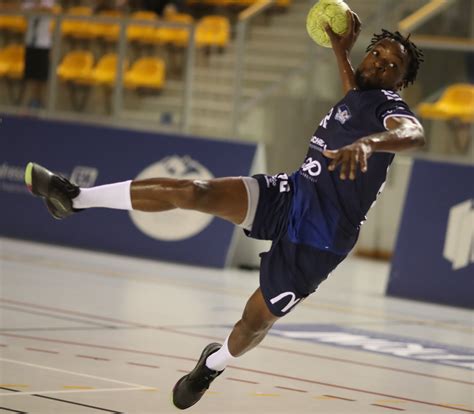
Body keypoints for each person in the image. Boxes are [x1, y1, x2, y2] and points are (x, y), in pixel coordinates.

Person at [24, 11, 425, 410]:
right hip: (293, 192)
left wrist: (370, 145)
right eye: (376, 54)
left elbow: (413, 134)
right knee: (194, 191)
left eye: (392, 65)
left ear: (400, 82)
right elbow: (356, 89)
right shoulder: (361, 94)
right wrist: (341, 49)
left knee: (254, 321)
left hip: (322, 237)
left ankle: (212, 366)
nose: (379, 64)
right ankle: (75, 198)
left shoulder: (389, 107)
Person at [22, 0, 56, 108]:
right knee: (30, 73)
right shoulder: (28, 2)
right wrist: (37, 7)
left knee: (42, 75)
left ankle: (40, 100)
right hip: (30, 42)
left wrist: (37, 7)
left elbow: (48, 10)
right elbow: (24, 12)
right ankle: (31, 99)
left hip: (43, 43)